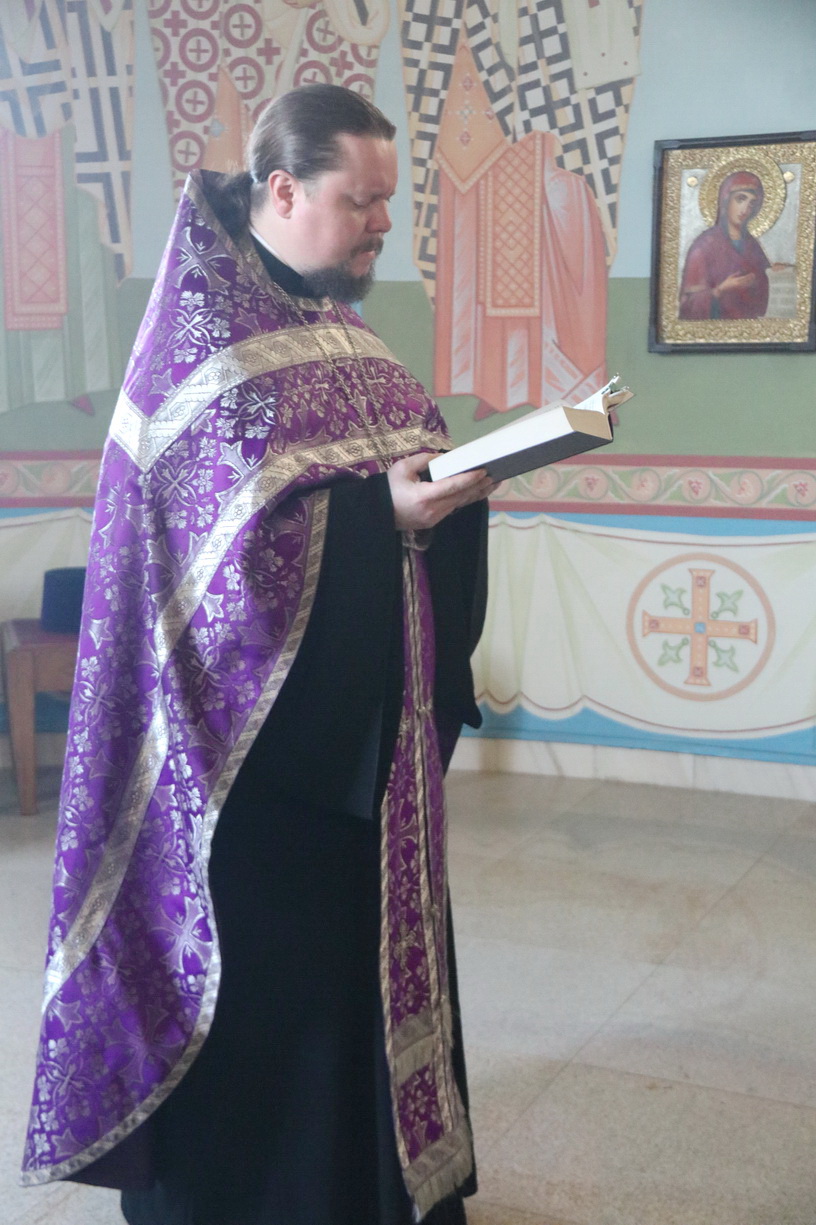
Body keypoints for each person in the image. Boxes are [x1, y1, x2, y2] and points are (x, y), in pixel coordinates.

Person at [21, 85, 493, 1225]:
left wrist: (439, 499)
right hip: (241, 778)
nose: (382, 223)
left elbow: (370, 479)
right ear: (283, 189)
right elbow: (227, 564)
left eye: (389, 200)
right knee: (271, 999)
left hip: (362, 758)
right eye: (361, 200)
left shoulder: (340, 329)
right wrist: (380, 514)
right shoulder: (207, 346)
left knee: (353, 980)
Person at [678, 169, 772, 320]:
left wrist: (773, 272)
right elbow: (688, 305)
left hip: (749, 325)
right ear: (726, 200)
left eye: (752, 203)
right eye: (740, 199)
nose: (745, 209)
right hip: (715, 326)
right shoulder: (704, 245)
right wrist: (722, 289)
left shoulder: (752, 245)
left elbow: (762, 291)